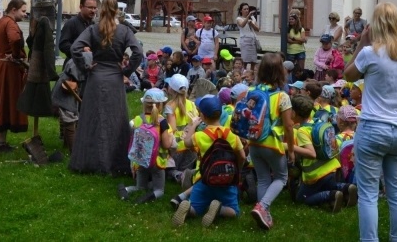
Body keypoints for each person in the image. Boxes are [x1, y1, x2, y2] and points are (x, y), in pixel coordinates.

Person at [343, 2, 397, 242]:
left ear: (375, 26)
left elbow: (348, 75)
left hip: (372, 129)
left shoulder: (370, 53)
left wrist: (362, 42)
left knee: (368, 195)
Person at [69, 0, 142, 174]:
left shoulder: (93, 29)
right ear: (117, 11)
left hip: (96, 77)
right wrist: (127, 71)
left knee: (92, 119)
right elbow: (138, 52)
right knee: (115, 119)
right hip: (115, 77)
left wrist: (85, 66)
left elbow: (74, 48)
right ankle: (117, 162)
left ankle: (90, 162)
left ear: (101, 10)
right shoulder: (124, 30)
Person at [172, 95, 245, 228]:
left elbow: (186, 142)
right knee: (233, 211)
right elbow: (242, 156)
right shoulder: (232, 135)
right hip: (227, 181)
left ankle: (188, 208)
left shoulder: (199, 136)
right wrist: (237, 170)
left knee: (196, 208)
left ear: (203, 116)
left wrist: (193, 125)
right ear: (221, 113)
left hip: (204, 179)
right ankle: (219, 209)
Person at [247, 52, 294, 231]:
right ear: (280, 71)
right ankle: (262, 207)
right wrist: (291, 150)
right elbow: (288, 126)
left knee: (263, 178)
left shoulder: (252, 92)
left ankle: (263, 213)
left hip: (254, 141)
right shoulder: (282, 97)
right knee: (281, 177)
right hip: (272, 143)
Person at [292, 94, 357, 211]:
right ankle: (346, 188)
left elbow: (311, 153)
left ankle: (330, 196)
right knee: (328, 184)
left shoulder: (302, 131)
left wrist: (289, 147)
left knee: (302, 198)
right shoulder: (317, 121)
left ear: (294, 113)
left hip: (316, 173)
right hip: (331, 167)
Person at [55, 0, 99, 151]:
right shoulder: (72, 23)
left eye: (95, 8)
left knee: (83, 103)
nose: (93, 10)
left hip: (88, 70)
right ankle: (65, 137)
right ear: (81, 7)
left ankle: (80, 136)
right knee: (69, 104)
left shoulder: (93, 24)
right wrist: (79, 49)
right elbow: (62, 44)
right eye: (90, 7)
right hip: (72, 69)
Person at [0, 0, 29, 152]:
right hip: (8, 68)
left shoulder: (0, 22)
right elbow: (15, 39)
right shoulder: (10, 23)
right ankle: (0, 144)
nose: (25, 14)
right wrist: (15, 55)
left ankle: (0, 141)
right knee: (5, 102)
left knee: (1, 101)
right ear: (13, 10)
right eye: (23, 11)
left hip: (0, 65)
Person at [119, 88, 173, 204]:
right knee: (160, 190)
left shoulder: (138, 119)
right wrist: (171, 138)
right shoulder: (162, 122)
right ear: (160, 105)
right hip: (157, 162)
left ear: (144, 103)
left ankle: (125, 190)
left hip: (141, 159)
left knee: (140, 187)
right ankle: (147, 198)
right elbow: (166, 145)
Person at [18, 0, 58, 138]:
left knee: (33, 98)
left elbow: (31, 41)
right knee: (36, 99)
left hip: (35, 63)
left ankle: (35, 136)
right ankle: (34, 137)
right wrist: (52, 72)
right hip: (40, 67)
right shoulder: (45, 23)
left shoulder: (37, 23)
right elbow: (48, 48)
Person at [286, 12, 307, 78]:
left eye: (292, 19)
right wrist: (298, 41)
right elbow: (288, 40)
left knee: (301, 69)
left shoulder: (301, 29)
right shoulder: (288, 29)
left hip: (300, 51)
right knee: (290, 69)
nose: (291, 21)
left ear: (296, 20)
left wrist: (294, 38)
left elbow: (303, 39)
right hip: (291, 51)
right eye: (290, 19)